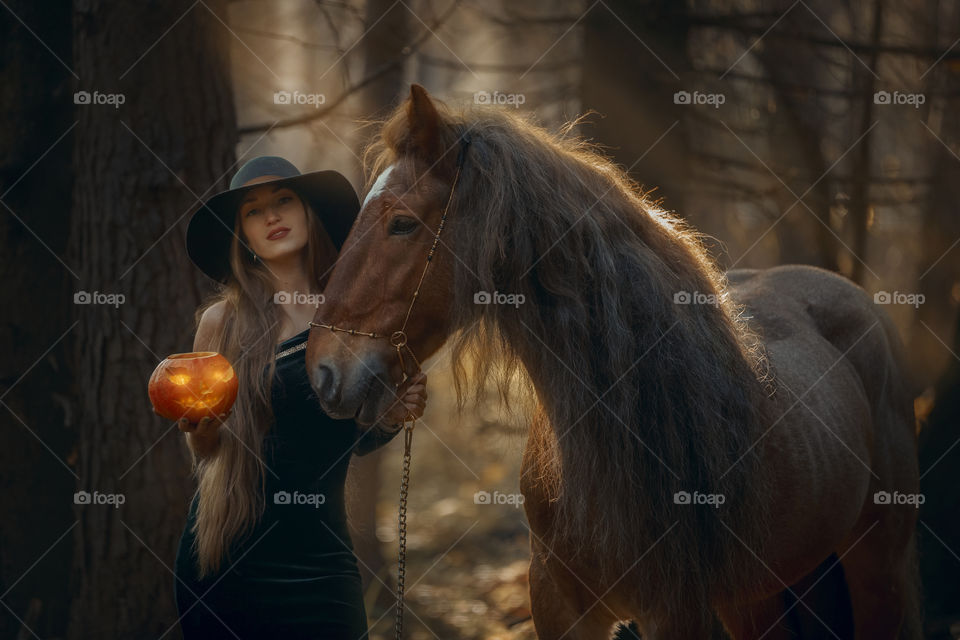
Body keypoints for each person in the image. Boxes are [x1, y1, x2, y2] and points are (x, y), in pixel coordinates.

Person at [169, 156, 427, 639]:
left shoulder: (354, 317)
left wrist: (392, 416)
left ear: (309, 212)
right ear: (242, 233)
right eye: (253, 210)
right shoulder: (220, 323)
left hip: (321, 557)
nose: (271, 216)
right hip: (227, 557)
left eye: (284, 200)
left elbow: (350, 438)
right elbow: (205, 453)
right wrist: (202, 435)